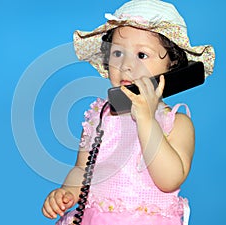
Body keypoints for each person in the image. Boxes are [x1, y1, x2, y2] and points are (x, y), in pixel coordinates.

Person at [42, 0, 215, 224]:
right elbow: (82, 169)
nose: (126, 65)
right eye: (117, 53)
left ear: (172, 67)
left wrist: (146, 119)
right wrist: (67, 192)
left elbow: (169, 179)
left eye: (142, 55)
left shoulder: (177, 123)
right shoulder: (100, 116)